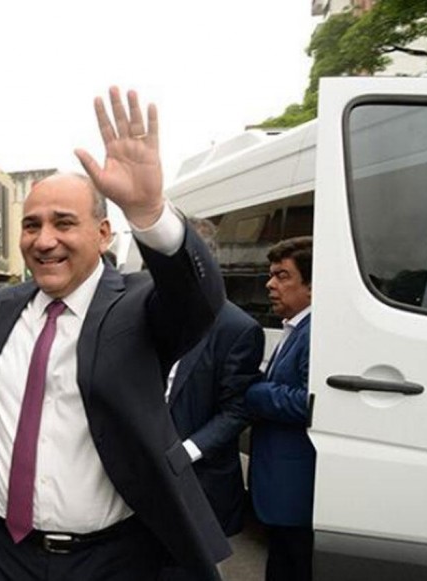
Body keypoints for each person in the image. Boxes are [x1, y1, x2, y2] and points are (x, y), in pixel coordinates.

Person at [0, 87, 230, 580]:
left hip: (106, 560)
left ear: (104, 233)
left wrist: (149, 213)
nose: (44, 240)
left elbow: (197, 300)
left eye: (64, 223)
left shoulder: (139, 306)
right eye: (31, 225)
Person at [162, 218, 265, 580]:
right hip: (143, 481)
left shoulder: (237, 328)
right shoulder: (145, 313)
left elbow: (237, 409)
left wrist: (187, 451)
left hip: (199, 482)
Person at [245, 236, 315, 581]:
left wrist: (252, 390)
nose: (270, 284)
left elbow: (308, 401)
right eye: (271, 274)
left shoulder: (315, 332)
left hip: (295, 492)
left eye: (282, 275)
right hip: (280, 490)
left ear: (312, 286)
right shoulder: (295, 328)